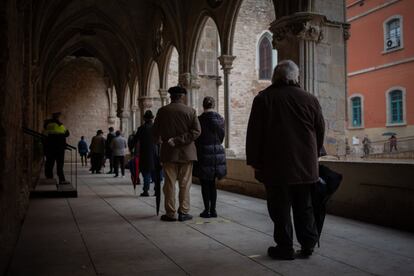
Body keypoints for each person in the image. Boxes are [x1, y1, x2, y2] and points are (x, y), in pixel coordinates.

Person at [246, 60, 325, 260]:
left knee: (279, 209)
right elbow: (320, 131)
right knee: (304, 207)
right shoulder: (310, 99)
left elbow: (254, 134)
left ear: (276, 77)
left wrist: (255, 162)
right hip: (305, 167)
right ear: (295, 77)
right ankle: (308, 245)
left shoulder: (264, 99)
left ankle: (285, 247)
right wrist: (313, 155)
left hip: (275, 167)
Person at [153, 86, 201, 222]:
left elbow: (155, 133)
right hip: (187, 154)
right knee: (185, 183)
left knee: (169, 184)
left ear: (171, 97)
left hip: (168, 153)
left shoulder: (162, 111)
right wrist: (180, 140)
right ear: (182, 96)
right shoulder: (190, 111)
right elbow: (196, 132)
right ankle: (184, 212)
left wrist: (167, 140)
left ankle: (170, 213)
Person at [193, 96, 226, 218]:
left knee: (204, 184)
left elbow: (196, 137)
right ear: (214, 105)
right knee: (212, 184)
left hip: (203, 153)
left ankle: (206, 210)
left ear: (203, 106)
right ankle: (214, 210)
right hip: (217, 153)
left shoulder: (199, 120)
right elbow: (222, 138)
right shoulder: (221, 119)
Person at [135, 110, 158, 196]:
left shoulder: (141, 129)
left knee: (146, 173)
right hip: (156, 153)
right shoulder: (156, 128)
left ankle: (146, 191)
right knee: (155, 174)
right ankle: (156, 191)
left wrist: (132, 147)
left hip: (145, 154)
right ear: (152, 118)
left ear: (144, 118)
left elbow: (135, 140)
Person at [43, 112, 70, 185]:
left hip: (50, 147)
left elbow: (44, 135)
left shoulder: (48, 125)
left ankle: (49, 177)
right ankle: (61, 179)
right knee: (60, 164)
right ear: (57, 118)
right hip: (60, 148)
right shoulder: (60, 125)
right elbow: (67, 133)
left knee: (49, 163)